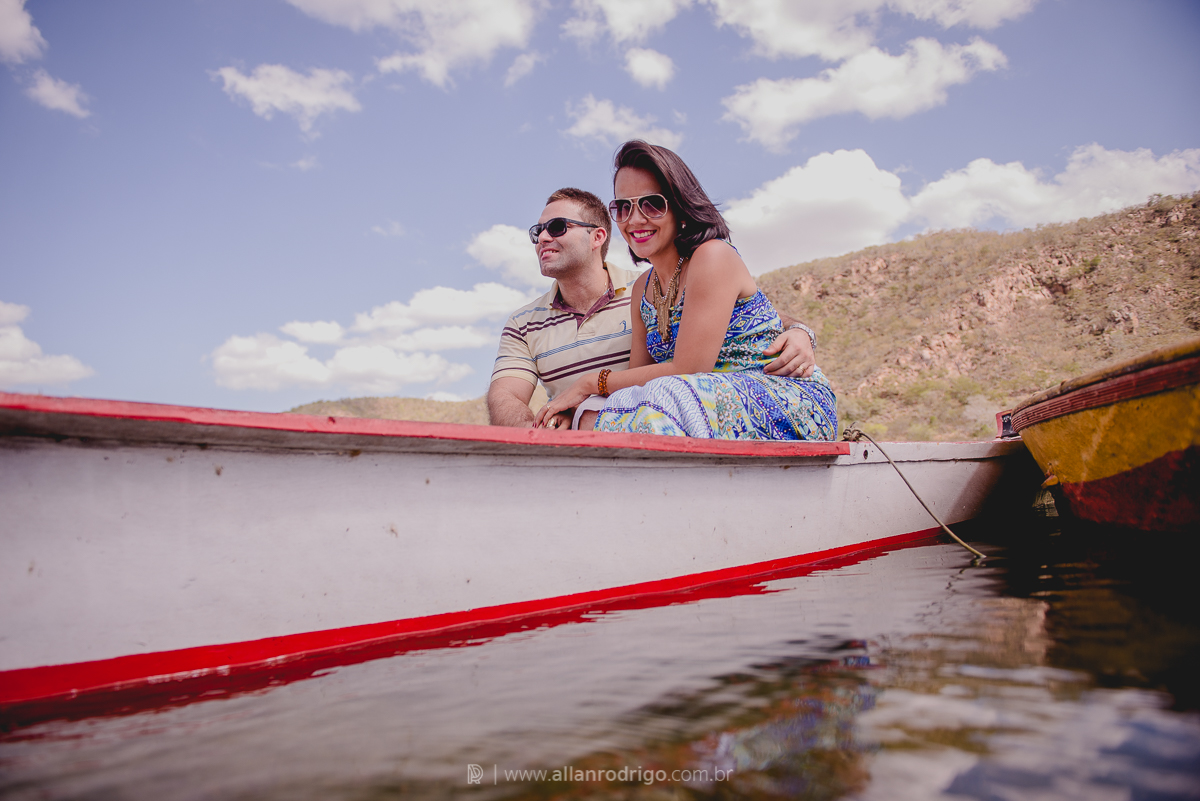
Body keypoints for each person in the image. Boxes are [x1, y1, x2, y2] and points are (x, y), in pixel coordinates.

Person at [533, 141, 837, 440]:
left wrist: (589, 383)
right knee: (597, 411)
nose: (635, 219)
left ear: (680, 206)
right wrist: (577, 408)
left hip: (783, 396)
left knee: (667, 392)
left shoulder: (712, 256)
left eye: (652, 203)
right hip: (696, 403)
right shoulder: (642, 288)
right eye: (623, 207)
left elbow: (689, 369)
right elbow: (634, 385)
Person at [488, 187, 819, 429]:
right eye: (537, 231)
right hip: (583, 427)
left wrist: (800, 333)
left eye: (557, 227)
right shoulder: (523, 323)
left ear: (597, 237)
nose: (543, 237)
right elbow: (505, 397)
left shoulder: (651, 287)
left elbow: (744, 315)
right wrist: (539, 436)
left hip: (664, 413)